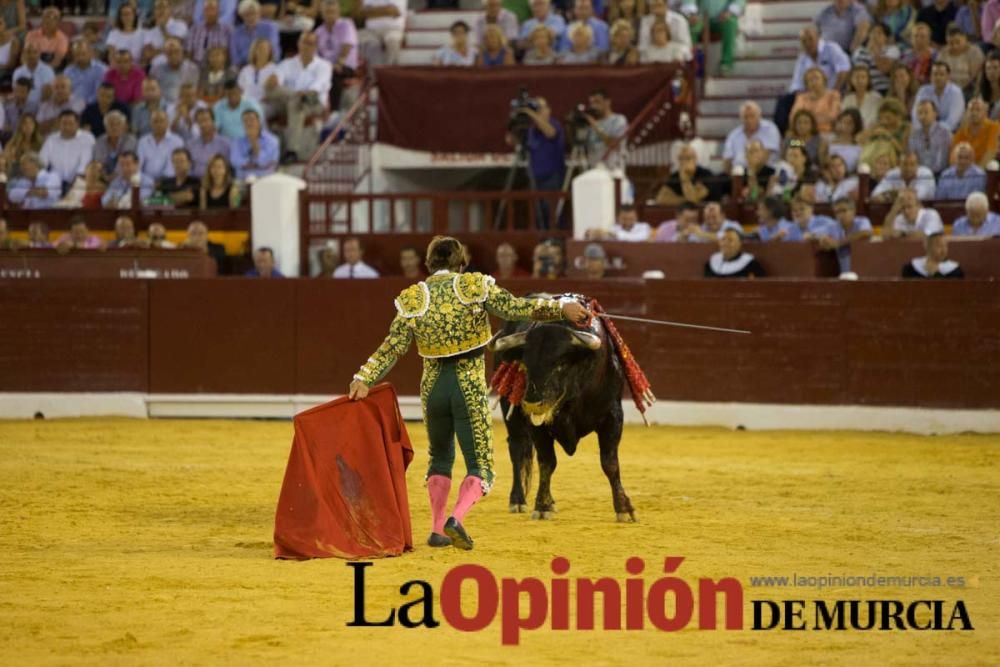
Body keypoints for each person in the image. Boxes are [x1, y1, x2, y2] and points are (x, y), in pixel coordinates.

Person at [347, 236, 591, 550]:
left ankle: (437, 530)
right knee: (480, 465)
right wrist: (561, 308)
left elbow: (392, 347)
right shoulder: (474, 286)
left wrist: (364, 377)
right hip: (467, 384)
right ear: (461, 264)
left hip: (432, 388)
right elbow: (516, 308)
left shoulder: (413, 298)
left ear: (428, 264)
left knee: (440, 457)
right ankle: (457, 518)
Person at [265, 31, 332, 162]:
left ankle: (292, 150)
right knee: (266, 100)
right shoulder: (287, 63)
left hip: (314, 102)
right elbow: (276, 81)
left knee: (296, 103)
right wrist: (273, 80)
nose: (307, 46)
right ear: (298, 44)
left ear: (316, 47)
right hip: (290, 100)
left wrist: (301, 94)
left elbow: (316, 88)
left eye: (310, 44)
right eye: (304, 42)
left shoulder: (324, 66)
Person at [315, 0, 358, 110]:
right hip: (325, 67)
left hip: (344, 66)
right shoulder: (318, 31)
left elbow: (346, 46)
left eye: (332, 11)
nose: (330, 14)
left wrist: (339, 63)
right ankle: (316, 110)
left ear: (338, 12)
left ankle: (334, 111)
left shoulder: (346, 24)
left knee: (333, 75)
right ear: (322, 13)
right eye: (327, 11)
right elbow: (316, 54)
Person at [39, 111, 96, 190]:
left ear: (77, 124)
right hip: (54, 182)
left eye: (70, 123)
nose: (67, 127)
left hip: (80, 181)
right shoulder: (51, 139)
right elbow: (42, 161)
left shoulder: (87, 138)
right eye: (64, 123)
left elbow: (85, 163)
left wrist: (77, 180)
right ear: (59, 124)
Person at [816, 196, 872, 273]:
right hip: (845, 273)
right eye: (837, 212)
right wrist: (823, 238)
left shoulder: (862, 221)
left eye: (844, 211)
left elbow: (866, 233)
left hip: (864, 270)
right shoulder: (833, 226)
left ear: (853, 211)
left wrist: (839, 243)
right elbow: (811, 235)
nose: (840, 215)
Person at [722, 101, 782, 172]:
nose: (749, 120)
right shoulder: (734, 135)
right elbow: (727, 160)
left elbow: (766, 155)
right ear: (741, 118)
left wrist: (752, 172)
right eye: (745, 117)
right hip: (739, 172)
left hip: (765, 170)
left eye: (752, 116)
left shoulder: (770, 128)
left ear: (759, 116)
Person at [912, 62, 965, 131]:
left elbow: (952, 122)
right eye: (935, 74)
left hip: (950, 132)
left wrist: (933, 131)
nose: (938, 77)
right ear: (930, 76)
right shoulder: (923, 91)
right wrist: (922, 130)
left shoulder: (956, 92)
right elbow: (915, 115)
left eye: (941, 74)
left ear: (948, 77)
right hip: (925, 131)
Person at [584, 88, 627, 170]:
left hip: (612, 171)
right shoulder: (590, 124)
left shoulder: (618, 120)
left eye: (597, 102)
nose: (594, 106)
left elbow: (615, 145)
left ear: (607, 102)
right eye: (591, 103)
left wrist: (596, 127)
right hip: (594, 170)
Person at [852, 23, 899, 96]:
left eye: (879, 33)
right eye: (872, 32)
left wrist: (875, 52)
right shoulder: (859, 51)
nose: (875, 35)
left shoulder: (891, 50)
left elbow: (885, 69)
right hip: (862, 89)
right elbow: (856, 71)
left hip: (882, 89)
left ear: (885, 37)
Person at [951, 97, 1000, 167]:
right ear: (966, 113)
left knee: (992, 165)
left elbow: (990, 153)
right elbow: (953, 158)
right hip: (963, 172)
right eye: (971, 110)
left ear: (985, 113)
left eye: (978, 110)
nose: (974, 113)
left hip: (984, 171)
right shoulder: (960, 133)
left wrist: (976, 174)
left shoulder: (994, 128)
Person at [230, 108, 279, 178]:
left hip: (265, 181)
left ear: (259, 121)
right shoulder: (237, 142)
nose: (249, 123)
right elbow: (235, 161)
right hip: (243, 182)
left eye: (252, 120)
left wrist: (254, 141)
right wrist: (256, 164)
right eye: (245, 121)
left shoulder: (272, 141)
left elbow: (263, 161)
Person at [149, 37, 199, 106]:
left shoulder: (192, 69)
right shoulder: (156, 69)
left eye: (176, 51)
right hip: (162, 106)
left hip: (184, 105)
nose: (174, 55)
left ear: (182, 51)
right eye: (170, 53)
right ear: (165, 54)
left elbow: (194, 92)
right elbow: (152, 92)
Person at [908, 99, 953, 175]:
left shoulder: (945, 133)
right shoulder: (914, 135)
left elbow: (948, 158)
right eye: (920, 113)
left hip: (942, 174)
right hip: (922, 176)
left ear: (935, 113)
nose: (922, 116)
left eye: (926, 112)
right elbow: (914, 158)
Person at [230, 0, 280, 68]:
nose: (251, 17)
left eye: (253, 13)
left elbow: (275, 52)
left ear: (259, 13)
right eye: (247, 14)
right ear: (241, 16)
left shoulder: (270, 27)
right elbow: (235, 59)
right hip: (245, 67)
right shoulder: (236, 33)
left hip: (268, 65)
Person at [871, 151, 936, 202]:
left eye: (912, 164)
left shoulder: (926, 174)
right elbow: (875, 195)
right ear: (899, 165)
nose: (908, 168)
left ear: (918, 165)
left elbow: (914, 198)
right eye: (905, 164)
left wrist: (889, 194)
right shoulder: (892, 173)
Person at [138, 110, 184, 181]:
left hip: (169, 181)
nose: (159, 124)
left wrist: (163, 181)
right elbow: (139, 164)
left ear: (168, 122)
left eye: (162, 121)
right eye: (155, 121)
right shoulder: (143, 141)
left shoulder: (177, 141)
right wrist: (147, 180)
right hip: (145, 181)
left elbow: (173, 166)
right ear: (150, 123)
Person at [358, 0, 406, 66]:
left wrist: (370, 11)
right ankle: (373, 74)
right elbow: (361, 13)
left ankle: (389, 70)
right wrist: (385, 10)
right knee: (370, 44)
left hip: (393, 29)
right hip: (371, 31)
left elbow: (394, 11)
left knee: (392, 40)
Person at [936, 24, 983, 92]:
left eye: (958, 42)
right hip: (946, 89)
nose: (955, 46)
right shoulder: (943, 53)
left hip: (968, 89)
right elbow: (939, 73)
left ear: (965, 38)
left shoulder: (974, 52)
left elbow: (975, 77)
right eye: (951, 43)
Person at [93, 110, 137, 176]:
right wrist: (104, 176)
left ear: (124, 126)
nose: (115, 127)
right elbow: (99, 162)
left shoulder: (130, 140)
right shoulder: (100, 141)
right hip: (103, 176)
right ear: (105, 127)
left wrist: (113, 177)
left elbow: (124, 162)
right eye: (111, 124)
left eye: (118, 124)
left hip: (124, 175)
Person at [64, 41, 107, 106]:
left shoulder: (101, 69)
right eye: (77, 55)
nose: (80, 57)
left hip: (93, 106)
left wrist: (84, 104)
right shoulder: (68, 70)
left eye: (83, 54)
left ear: (90, 53)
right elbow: (66, 91)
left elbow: (99, 93)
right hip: (71, 105)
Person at [13, 43, 55, 108]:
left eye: (35, 52)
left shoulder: (47, 70)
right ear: (23, 54)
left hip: (41, 107)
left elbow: (48, 93)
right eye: (28, 52)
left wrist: (39, 109)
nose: (31, 55)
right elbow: (16, 93)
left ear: (39, 53)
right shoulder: (18, 72)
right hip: (23, 107)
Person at [842, 64, 882, 130]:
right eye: (856, 77)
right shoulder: (848, 98)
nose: (860, 81)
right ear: (851, 80)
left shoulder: (876, 98)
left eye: (863, 77)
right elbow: (843, 119)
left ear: (868, 80)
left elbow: (879, 120)